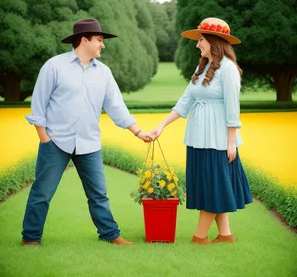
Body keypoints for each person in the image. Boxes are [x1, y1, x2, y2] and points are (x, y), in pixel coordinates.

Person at [22, 18, 154, 246]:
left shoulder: (103, 73)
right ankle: (31, 238)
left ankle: (110, 234)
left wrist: (138, 132)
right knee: (42, 193)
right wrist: (44, 138)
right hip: (55, 142)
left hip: (89, 143)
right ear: (84, 40)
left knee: (99, 194)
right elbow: (39, 103)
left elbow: (116, 106)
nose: (103, 44)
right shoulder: (54, 66)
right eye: (100, 40)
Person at [151, 17, 253, 245]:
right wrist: (162, 126)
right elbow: (184, 103)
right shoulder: (204, 67)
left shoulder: (228, 69)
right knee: (212, 187)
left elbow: (232, 109)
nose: (197, 44)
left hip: (218, 142)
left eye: (201, 39)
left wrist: (230, 142)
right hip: (198, 139)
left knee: (213, 189)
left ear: (214, 41)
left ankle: (199, 237)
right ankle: (225, 235)